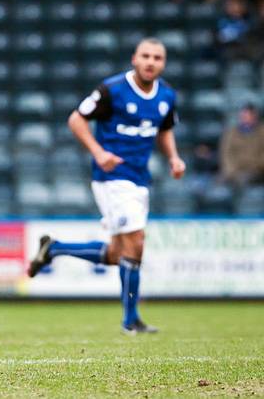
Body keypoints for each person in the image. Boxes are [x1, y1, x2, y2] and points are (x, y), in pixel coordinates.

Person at [28, 38, 186, 335]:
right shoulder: (112, 90)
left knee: (118, 253)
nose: (151, 62)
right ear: (134, 59)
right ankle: (131, 321)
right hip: (112, 178)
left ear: (163, 63)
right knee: (136, 242)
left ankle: (55, 249)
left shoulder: (167, 95)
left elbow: (164, 129)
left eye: (158, 57)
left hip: (140, 180)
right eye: (146, 56)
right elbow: (76, 119)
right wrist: (98, 152)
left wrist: (174, 158)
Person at [220, 103, 264, 186]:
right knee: (219, 183)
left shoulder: (262, 132)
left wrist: (254, 167)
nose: (245, 118)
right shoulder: (231, 132)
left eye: (249, 116)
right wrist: (231, 170)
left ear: (255, 116)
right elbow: (226, 153)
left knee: (243, 181)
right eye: (244, 116)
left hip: (256, 171)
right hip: (234, 171)